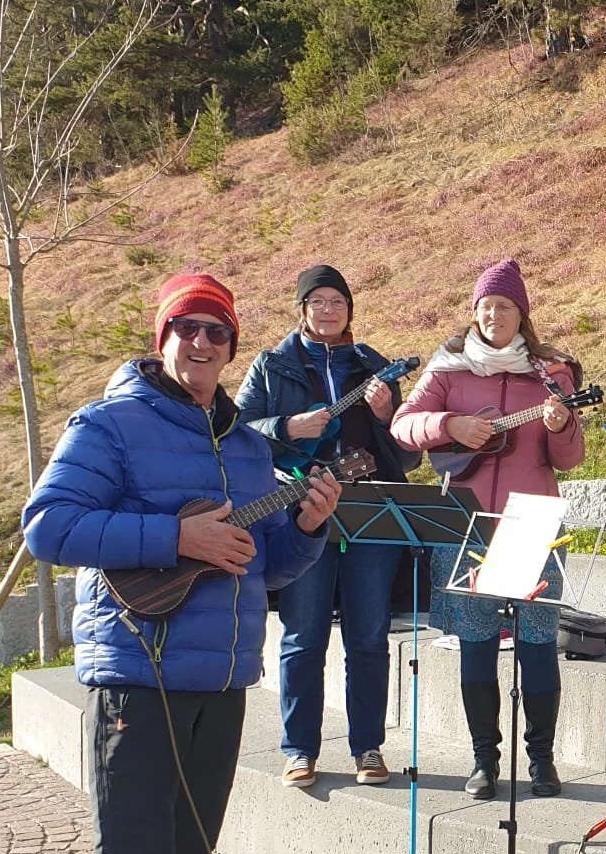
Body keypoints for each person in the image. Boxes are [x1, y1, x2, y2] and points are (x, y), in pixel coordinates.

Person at [22, 272, 342, 854]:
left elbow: (264, 565)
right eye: (187, 328)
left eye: (217, 332)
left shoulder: (245, 445)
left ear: (233, 347)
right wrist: (175, 535)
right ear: (162, 335)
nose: (201, 344)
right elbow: (48, 527)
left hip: (223, 674)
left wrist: (306, 526)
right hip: (137, 674)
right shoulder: (109, 424)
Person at [391, 259, 585, 798]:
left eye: (504, 306)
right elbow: (403, 426)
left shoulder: (551, 373)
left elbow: (569, 459)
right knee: (476, 644)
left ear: (522, 314)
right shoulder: (449, 367)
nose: (494, 315)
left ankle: (542, 760)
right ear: (474, 314)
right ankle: (484, 760)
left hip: (529, 520)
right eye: (485, 307)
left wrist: (562, 422)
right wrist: (450, 425)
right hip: (466, 521)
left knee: (537, 642)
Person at [237, 264, 413, 790]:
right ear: (302, 310)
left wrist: (386, 419)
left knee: (369, 635)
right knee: (303, 635)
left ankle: (369, 748)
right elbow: (239, 434)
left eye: (337, 302)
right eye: (318, 302)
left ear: (350, 310)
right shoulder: (271, 366)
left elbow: (405, 455)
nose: (328, 310)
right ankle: (299, 749)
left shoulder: (375, 368)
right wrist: (287, 427)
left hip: (368, 513)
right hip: (300, 514)